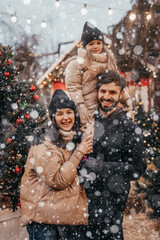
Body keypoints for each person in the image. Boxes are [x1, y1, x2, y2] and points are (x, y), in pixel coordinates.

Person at [79, 71, 146, 239]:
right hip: (85, 196)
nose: (106, 96)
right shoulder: (87, 121)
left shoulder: (129, 127)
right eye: (103, 91)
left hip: (114, 197)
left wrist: (103, 168)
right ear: (97, 92)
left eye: (112, 92)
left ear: (121, 94)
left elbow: (138, 167)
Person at [20, 89, 93, 240]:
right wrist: (79, 152)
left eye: (69, 112)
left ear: (75, 114)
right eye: (59, 114)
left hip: (66, 217)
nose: (65, 118)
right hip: (45, 221)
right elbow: (57, 180)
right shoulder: (43, 143)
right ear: (53, 117)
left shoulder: (74, 138)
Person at [64, 21, 133, 126]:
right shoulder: (77, 64)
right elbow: (73, 87)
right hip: (87, 111)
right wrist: (81, 106)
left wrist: (127, 100)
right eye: (91, 44)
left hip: (107, 108)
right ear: (84, 46)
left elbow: (117, 85)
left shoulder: (109, 62)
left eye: (98, 43)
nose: (95, 46)